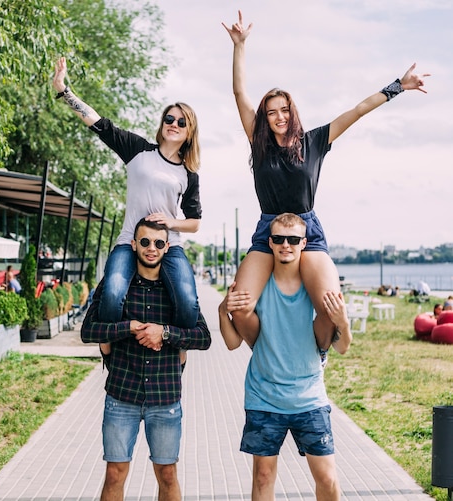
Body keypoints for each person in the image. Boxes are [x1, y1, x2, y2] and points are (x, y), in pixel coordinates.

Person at [222, 10, 430, 347]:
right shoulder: (258, 142)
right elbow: (239, 93)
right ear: (265, 116)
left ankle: (318, 353)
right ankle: (266, 352)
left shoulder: (315, 141)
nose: (278, 116)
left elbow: (359, 109)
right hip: (268, 231)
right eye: (272, 111)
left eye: (284, 110)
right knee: (241, 305)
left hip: (308, 231)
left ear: (293, 113)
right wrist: (239, 46)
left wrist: (399, 87)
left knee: (330, 308)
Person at [52, 57, 202, 331]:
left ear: (189, 131)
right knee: (111, 294)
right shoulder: (138, 151)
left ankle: (178, 353)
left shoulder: (189, 173)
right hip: (129, 240)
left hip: (168, 245)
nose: (174, 124)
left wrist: (171, 223)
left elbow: (194, 222)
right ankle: (108, 347)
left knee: (188, 301)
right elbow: (98, 123)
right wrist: (64, 90)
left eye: (181, 122)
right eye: (169, 118)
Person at [217, 213, 352, 501]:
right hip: (264, 396)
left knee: (327, 478)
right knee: (263, 478)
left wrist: (343, 321)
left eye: (293, 240)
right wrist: (221, 310)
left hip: (309, 397)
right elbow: (231, 343)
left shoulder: (316, 289)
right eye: (278, 239)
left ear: (305, 243)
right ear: (270, 242)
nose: (285, 245)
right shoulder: (257, 286)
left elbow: (342, 348)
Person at [81, 218, 211, 501]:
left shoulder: (178, 289)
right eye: (145, 242)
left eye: (158, 243)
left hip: (165, 399)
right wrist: (127, 327)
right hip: (121, 395)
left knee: (167, 475)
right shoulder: (116, 285)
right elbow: (88, 330)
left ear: (166, 248)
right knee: (115, 472)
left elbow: (204, 337)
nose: (151, 248)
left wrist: (164, 333)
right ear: (133, 244)